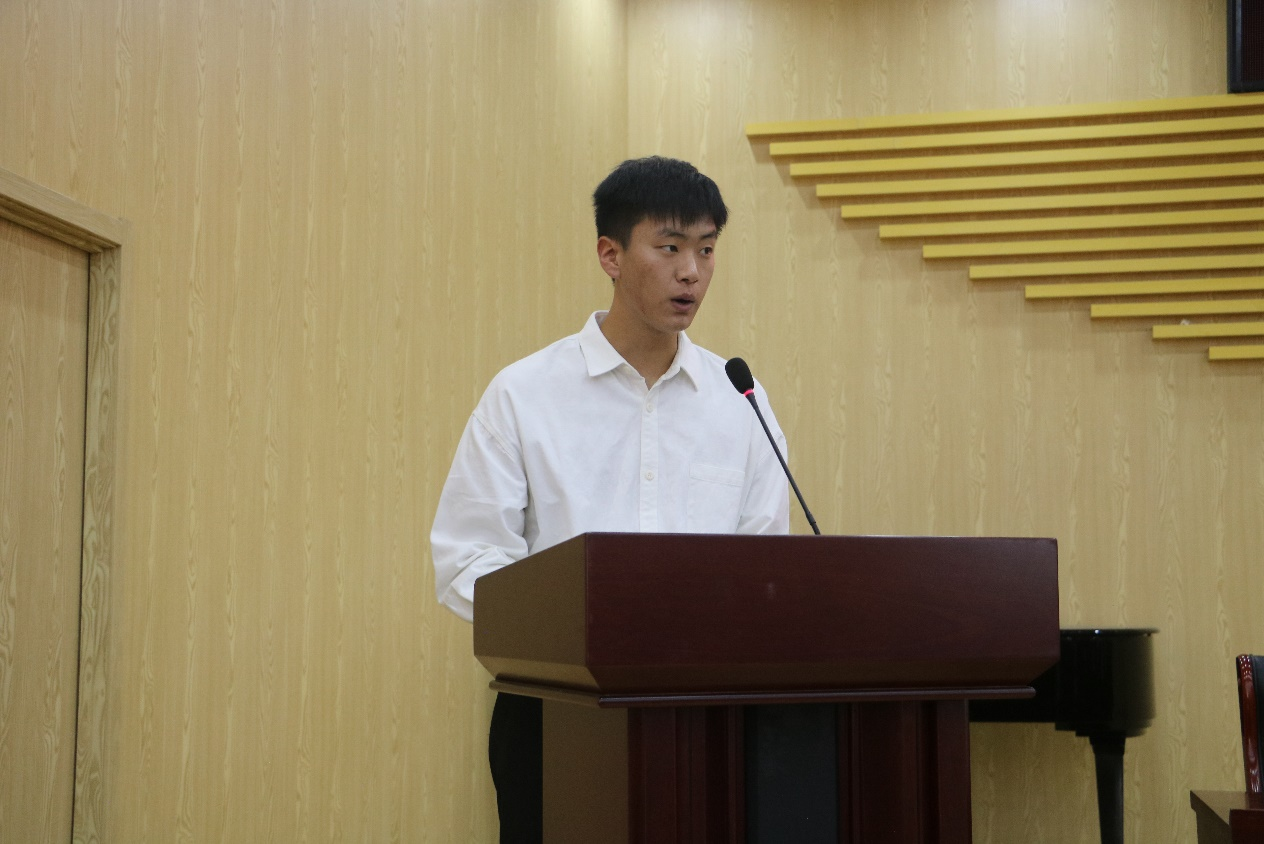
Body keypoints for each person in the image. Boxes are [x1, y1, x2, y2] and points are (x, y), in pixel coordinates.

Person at [430, 156, 791, 843]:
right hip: (557, 710)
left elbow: (765, 562)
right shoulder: (525, 394)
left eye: (706, 249)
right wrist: (577, 627)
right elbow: (467, 559)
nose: (692, 272)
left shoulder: (739, 397)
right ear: (611, 255)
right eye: (670, 248)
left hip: (707, 713)